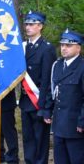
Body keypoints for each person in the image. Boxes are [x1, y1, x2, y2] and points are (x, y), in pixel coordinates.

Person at [19, 11, 56, 164]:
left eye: (32, 24)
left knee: (40, 140)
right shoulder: (23, 47)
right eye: (27, 24)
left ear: (40, 26)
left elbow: (48, 81)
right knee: (28, 138)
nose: (28, 27)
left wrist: (46, 107)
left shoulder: (47, 48)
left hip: (39, 102)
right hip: (25, 100)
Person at [44, 29, 84, 164]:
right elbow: (52, 90)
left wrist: (82, 121)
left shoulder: (82, 67)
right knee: (60, 160)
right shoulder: (57, 65)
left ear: (78, 47)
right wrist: (47, 111)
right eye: (62, 45)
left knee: (76, 159)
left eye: (68, 45)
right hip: (59, 123)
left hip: (75, 125)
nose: (64, 48)